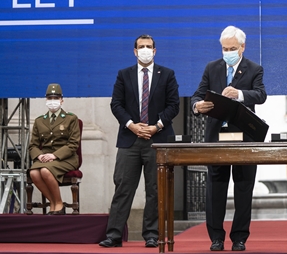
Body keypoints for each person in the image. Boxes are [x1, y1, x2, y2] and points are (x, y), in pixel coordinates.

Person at [99, 34, 180, 248]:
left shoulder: (167, 74)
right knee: (123, 187)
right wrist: (132, 125)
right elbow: (116, 104)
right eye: (141, 46)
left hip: (158, 139)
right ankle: (114, 234)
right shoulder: (123, 75)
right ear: (135, 51)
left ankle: (152, 234)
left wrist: (156, 126)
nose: (145, 49)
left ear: (155, 51)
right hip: (129, 140)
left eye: (149, 46)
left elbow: (174, 105)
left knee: (154, 189)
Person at [191, 26, 267, 252]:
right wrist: (197, 106)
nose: (228, 52)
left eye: (232, 48)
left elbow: (261, 95)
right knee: (216, 188)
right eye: (225, 48)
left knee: (244, 187)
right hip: (216, 137)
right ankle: (216, 237)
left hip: (245, 137)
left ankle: (239, 238)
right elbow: (197, 94)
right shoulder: (211, 68)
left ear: (242, 47)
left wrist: (240, 94)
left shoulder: (254, 68)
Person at [28, 83, 80, 215]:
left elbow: (73, 144)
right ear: (46, 100)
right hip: (45, 158)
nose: (52, 102)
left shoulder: (70, 118)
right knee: (33, 173)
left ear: (62, 100)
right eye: (50, 98)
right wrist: (39, 156)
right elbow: (33, 145)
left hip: (66, 158)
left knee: (45, 171)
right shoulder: (40, 121)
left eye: (55, 98)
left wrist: (54, 155)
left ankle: (58, 203)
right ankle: (53, 202)